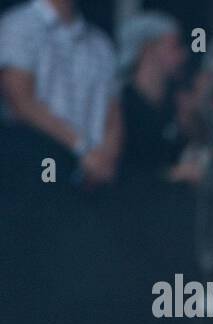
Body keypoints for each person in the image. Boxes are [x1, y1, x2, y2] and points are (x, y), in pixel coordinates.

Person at [0, 0, 120, 188]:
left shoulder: (100, 44)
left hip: (93, 180)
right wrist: (81, 149)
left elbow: (113, 112)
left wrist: (105, 159)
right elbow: (20, 102)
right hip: (37, 167)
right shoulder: (18, 26)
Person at [115, 10, 188, 181]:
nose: (183, 55)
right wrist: (172, 174)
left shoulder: (172, 107)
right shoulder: (121, 106)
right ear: (148, 49)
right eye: (174, 46)